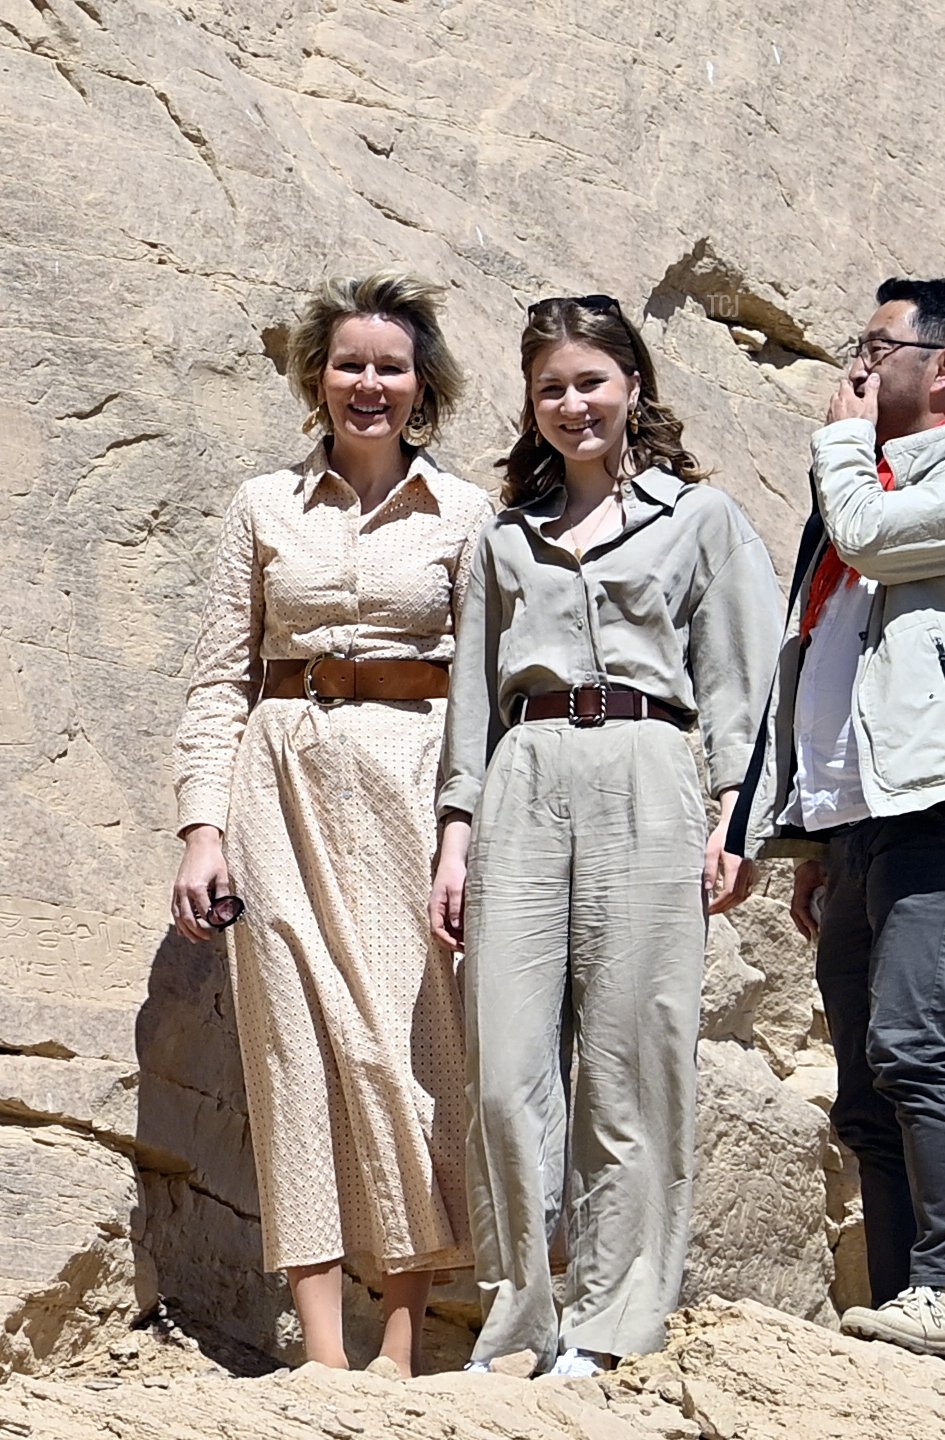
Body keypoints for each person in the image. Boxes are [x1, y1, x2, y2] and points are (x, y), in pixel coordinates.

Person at [430, 294, 782, 1377]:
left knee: (633, 1066)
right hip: (525, 778)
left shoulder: (701, 520)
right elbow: (473, 698)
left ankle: (611, 1320)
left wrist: (737, 814)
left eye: (591, 381)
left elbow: (743, 679)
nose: (572, 404)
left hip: (646, 770)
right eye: (551, 388)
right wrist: (456, 833)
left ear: (633, 384)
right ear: (530, 404)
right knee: (506, 1076)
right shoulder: (505, 539)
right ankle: (520, 1314)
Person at [171, 270, 493, 1378]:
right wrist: (202, 828)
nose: (369, 384)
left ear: (421, 386)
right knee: (291, 1050)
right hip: (277, 788)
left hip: (412, 787)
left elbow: (484, 689)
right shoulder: (261, 506)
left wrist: (465, 827)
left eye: (390, 367)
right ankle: (320, 1354)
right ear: (317, 378)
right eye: (349, 364)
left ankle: (400, 1344)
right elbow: (218, 677)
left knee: (410, 1050)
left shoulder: (466, 516)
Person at [727, 277, 945, 1357]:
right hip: (858, 820)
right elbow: (821, 661)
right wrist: (811, 836)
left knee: (917, 1048)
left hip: (933, 812)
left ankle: (943, 1286)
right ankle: (904, 1301)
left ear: (940, 370)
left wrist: (843, 446)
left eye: (876, 346)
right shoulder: (865, 484)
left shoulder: (880, 488)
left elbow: (866, 538)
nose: (854, 367)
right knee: (865, 1082)